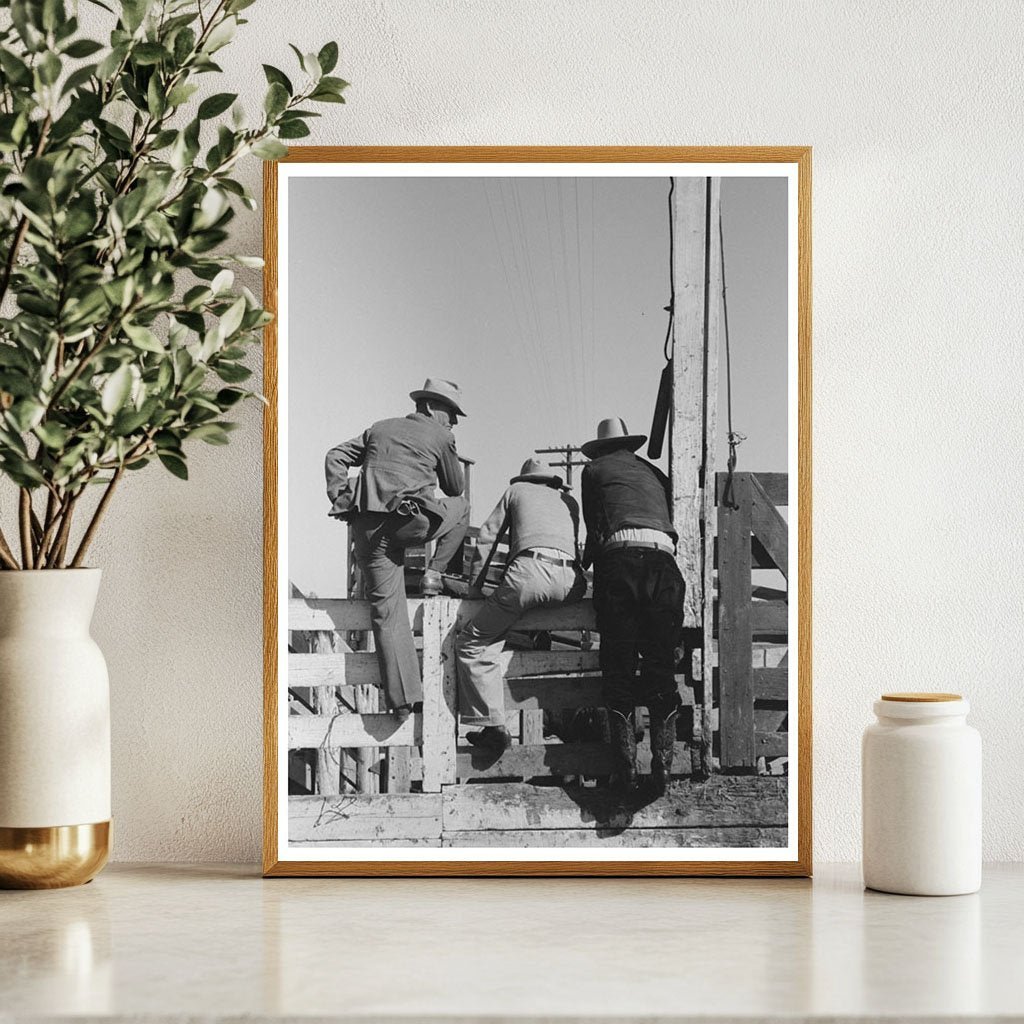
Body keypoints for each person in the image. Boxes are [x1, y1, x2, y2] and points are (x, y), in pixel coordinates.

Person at [325, 378, 470, 719]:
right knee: (461, 506)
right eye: (451, 413)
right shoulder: (441, 435)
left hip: (369, 528)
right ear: (433, 408)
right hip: (410, 522)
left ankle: (404, 702)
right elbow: (454, 486)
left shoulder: (379, 428)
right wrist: (446, 447)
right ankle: (435, 573)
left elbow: (335, 455)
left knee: (386, 611)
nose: (454, 422)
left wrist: (342, 498)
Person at [580, 417, 685, 796]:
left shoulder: (594, 470)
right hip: (664, 563)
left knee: (619, 663)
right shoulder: (654, 473)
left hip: (620, 561)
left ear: (600, 447)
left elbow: (595, 526)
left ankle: (626, 767)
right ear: (629, 446)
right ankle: (664, 763)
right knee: (660, 665)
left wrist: (585, 565)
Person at [456, 458, 587, 755]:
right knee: (527, 604)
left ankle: (492, 725)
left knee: (473, 642)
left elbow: (487, 538)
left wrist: (475, 586)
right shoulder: (569, 500)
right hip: (572, 583)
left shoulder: (516, 492)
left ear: (526, 478)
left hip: (530, 575)